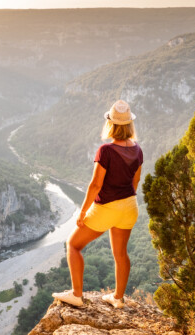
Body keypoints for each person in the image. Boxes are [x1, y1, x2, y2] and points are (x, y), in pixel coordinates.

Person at [53, 100, 143, 309]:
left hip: (106, 207)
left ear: (110, 124)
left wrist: (82, 212)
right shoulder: (137, 150)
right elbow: (135, 182)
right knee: (121, 253)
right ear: (130, 125)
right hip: (130, 206)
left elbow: (95, 185)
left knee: (73, 245)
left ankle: (76, 294)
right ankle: (118, 298)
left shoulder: (106, 150)